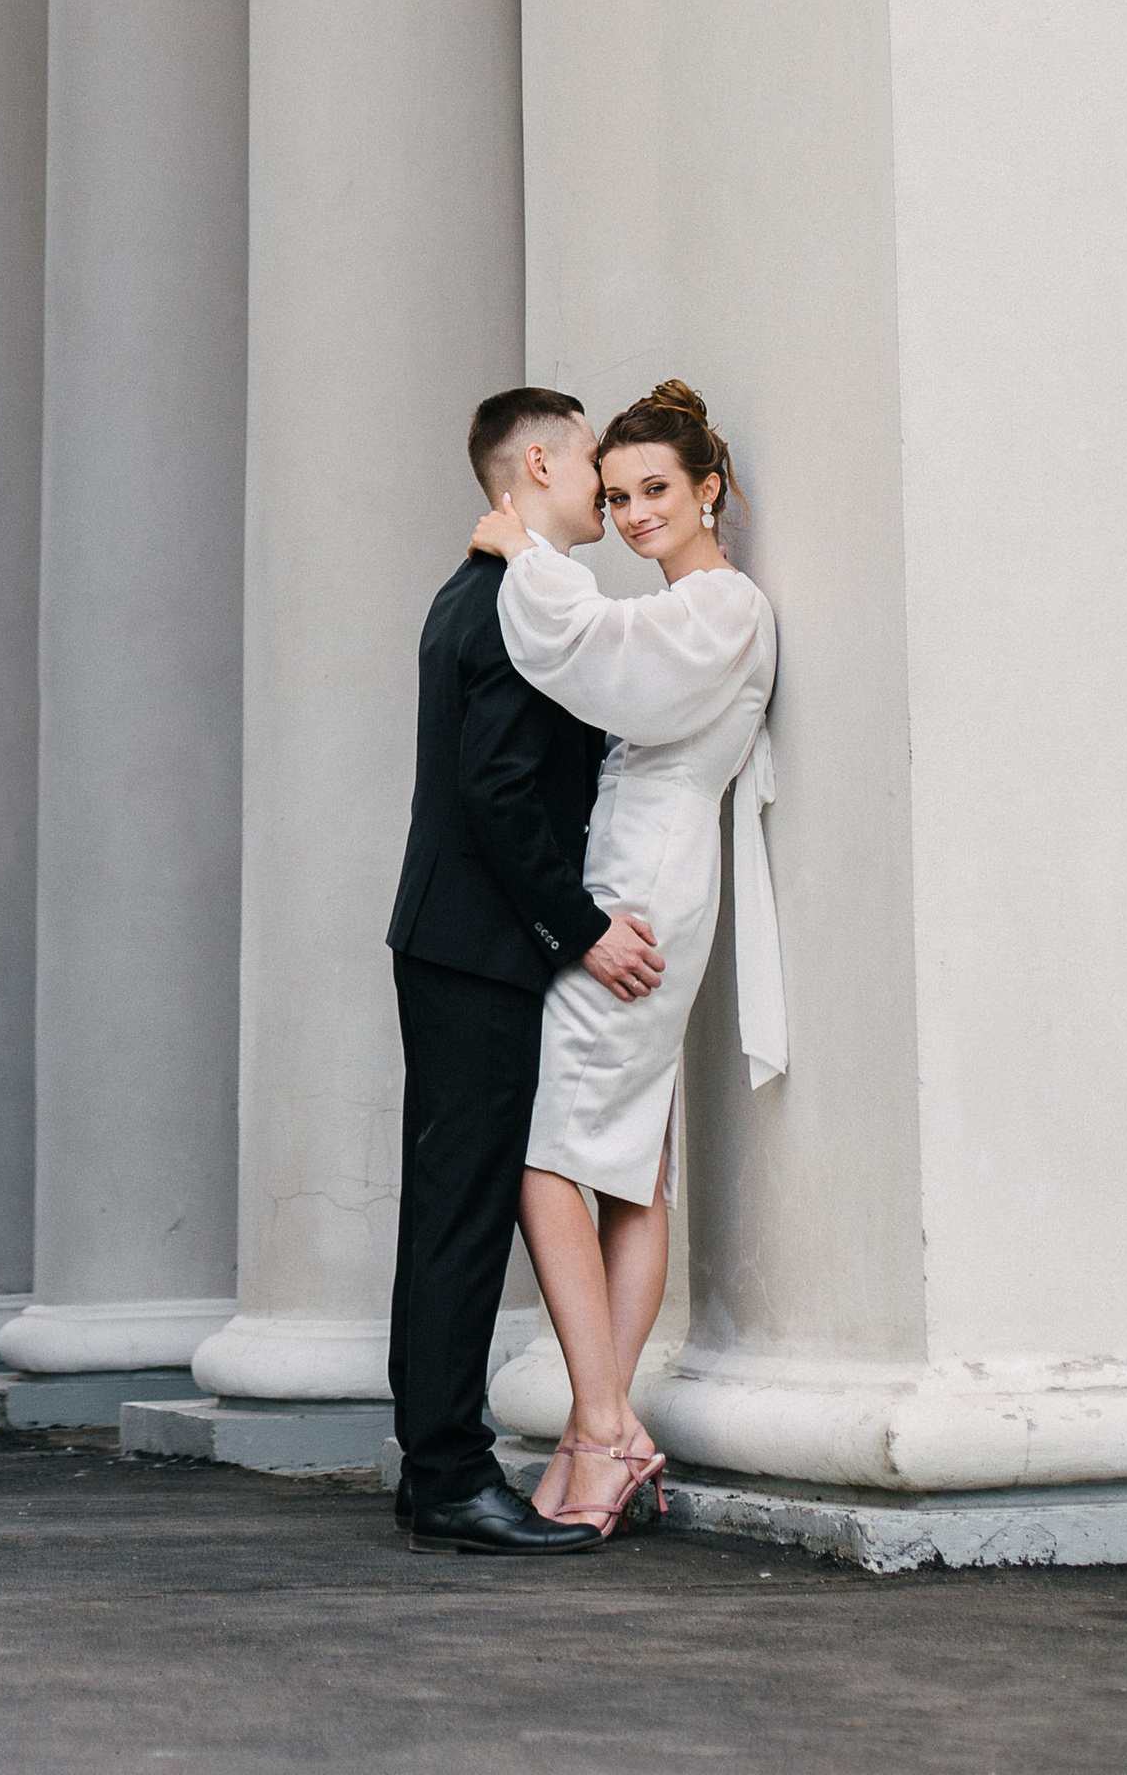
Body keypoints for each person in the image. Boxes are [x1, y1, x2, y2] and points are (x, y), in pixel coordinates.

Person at [469, 378, 786, 1540]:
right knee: (626, 1162)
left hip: (643, 883)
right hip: (643, 864)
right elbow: (608, 645)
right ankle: (595, 1428)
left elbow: (593, 645)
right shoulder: (681, 609)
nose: (636, 511)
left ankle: (603, 1422)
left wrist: (520, 545)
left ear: (709, 490)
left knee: (551, 1148)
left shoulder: (719, 607)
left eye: (657, 489)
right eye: (617, 494)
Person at [386, 389, 667, 1554]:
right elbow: (497, 793)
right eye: (595, 457)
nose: (604, 479)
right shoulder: (506, 597)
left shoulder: (495, 588)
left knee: (450, 1211)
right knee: (457, 1217)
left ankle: (437, 1469)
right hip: (477, 950)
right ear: (540, 462)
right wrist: (584, 926)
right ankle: (449, 1476)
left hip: (460, 943)